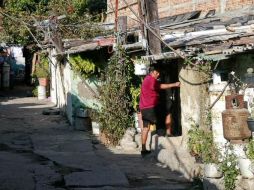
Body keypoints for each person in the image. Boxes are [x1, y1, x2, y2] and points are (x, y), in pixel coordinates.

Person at [139, 64, 180, 157]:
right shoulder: (151, 79)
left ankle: (143, 149)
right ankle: (166, 136)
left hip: (144, 108)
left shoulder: (146, 79)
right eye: (157, 73)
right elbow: (160, 86)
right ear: (152, 72)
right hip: (151, 108)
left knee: (146, 128)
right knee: (166, 113)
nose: (158, 75)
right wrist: (174, 84)